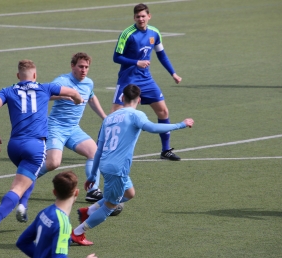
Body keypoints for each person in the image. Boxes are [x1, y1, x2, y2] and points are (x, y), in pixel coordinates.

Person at [71, 84, 194, 245]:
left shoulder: (109, 118)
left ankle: (89, 211)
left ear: (122, 98)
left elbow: (99, 150)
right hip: (117, 168)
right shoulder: (136, 114)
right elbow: (153, 127)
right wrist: (181, 124)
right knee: (110, 206)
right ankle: (77, 233)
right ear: (139, 100)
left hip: (105, 165)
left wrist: (93, 175)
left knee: (129, 193)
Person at [0, 59, 83, 240]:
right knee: (19, 185)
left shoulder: (8, 90)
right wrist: (77, 100)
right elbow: (74, 93)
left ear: (18, 76)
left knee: (29, 173)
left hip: (14, 146)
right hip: (35, 145)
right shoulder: (45, 88)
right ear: (35, 75)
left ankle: (23, 205)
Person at [15, 52, 107, 224]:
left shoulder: (88, 83)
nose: (83, 70)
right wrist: (67, 94)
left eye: (86, 67)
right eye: (80, 66)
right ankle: (24, 179)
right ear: (72, 66)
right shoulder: (62, 81)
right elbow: (45, 94)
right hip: (55, 127)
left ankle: (93, 190)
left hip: (73, 129)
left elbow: (92, 98)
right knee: (53, 163)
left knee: (95, 153)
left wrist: (104, 117)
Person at [112, 3, 183, 161]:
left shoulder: (155, 32)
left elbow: (161, 55)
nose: (141, 19)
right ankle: (103, 149)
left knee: (163, 111)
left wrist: (173, 73)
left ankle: (165, 150)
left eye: (143, 16)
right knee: (115, 116)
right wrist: (137, 62)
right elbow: (116, 57)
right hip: (128, 79)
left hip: (146, 79)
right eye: (138, 16)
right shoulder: (127, 34)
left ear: (149, 16)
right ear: (134, 18)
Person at [16, 171, 99, 258]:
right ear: (76, 192)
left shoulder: (45, 212)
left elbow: (22, 242)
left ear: (54, 192)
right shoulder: (62, 223)